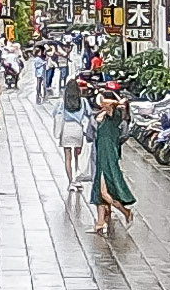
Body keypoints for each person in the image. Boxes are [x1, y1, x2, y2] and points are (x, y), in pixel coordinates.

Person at [85, 90, 137, 237]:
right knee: (100, 192)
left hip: (108, 157)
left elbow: (113, 110)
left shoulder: (115, 118)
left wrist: (114, 104)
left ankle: (125, 212)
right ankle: (100, 223)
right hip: (101, 157)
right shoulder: (99, 117)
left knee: (105, 192)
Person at [56, 74, 92, 191]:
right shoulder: (83, 101)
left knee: (68, 157)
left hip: (66, 129)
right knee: (78, 155)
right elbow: (89, 113)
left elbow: (55, 114)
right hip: (78, 130)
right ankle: (77, 179)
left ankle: (70, 182)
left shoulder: (62, 102)